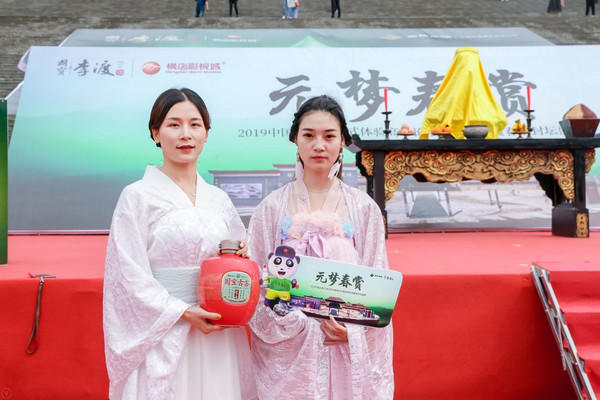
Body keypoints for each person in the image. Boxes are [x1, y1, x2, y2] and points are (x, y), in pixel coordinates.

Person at [103, 88, 256, 400]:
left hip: (217, 329)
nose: (185, 134)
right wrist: (182, 311)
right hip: (164, 327)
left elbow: (240, 260)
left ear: (206, 134)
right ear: (156, 133)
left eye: (195, 125)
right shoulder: (137, 196)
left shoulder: (219, 200)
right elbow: (127, 274)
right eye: (174, 125)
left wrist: (242, 256)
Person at [247, 95, 394, 399]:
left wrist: (353, 332)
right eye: (309, 135)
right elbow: (257, 280)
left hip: (343, 342)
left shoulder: (363, 209)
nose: (319, 145)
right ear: (295, 139)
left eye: (329, 136)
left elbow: (376, 282)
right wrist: (291, 322)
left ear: (343, 142)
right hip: (291, 346)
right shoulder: (271, 208)